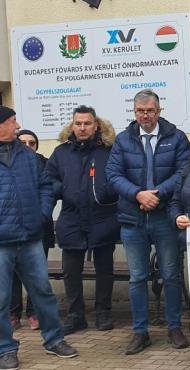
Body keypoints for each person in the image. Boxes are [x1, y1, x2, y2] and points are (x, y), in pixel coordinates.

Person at [106, 89, 190, 354]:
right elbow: (112, 174)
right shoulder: (123, 140)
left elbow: (183, 171)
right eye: (141, 111)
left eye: (150, 111)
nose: (145, 115)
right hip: (133, 219)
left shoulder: (176, 138)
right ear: (134, 112)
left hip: (164, 217)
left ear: (159, 111)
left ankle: (174, 327)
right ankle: (140, 332)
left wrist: (158, 194)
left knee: (171, 275)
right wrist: (137, 194)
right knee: (137, 278)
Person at [0, 107, 79, 370]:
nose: (18, 125)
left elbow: (46, 185)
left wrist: (43, 213)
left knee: (43, 292)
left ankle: (54, 340)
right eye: (12, 122)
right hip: (1, 242)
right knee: (1, 299)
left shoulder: (27, 156)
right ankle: (6, 350)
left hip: (30, 237)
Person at [42, 106, 120, 335]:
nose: (82, 128)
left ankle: (103, 312)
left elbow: (118, 177)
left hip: (103, 218)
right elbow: (48, 180)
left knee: (104, 268)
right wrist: (64, 188)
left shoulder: (109, 150)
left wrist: (107, 192)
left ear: (96, 125)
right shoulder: (61, 152)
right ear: (72, 126)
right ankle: (76, 315)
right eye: (78, 123)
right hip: (72, 218)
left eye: (87, 123)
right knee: (70, 270)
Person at [9, 129, 51, 331]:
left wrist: (42, 214)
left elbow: (48, 189)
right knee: (12, 276)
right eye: (23, 142)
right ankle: (13, 313)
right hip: (9, 231)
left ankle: (35, 313)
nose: (27, 146)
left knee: (37, 278)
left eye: (31, 143)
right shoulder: (8, 161)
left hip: (37, 230)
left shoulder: (43, 163)